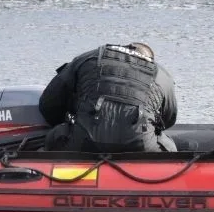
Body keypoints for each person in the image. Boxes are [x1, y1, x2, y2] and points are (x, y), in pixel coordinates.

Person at [39, 42, 178, 152]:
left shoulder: (87, 58)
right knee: (170, 147)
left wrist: (70, 120)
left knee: (53, 135)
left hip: (82, 143)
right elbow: (168, 120)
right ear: (150, 59)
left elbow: (48, 104)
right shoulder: (161, 74)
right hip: (141, 145)